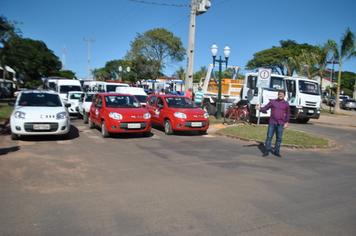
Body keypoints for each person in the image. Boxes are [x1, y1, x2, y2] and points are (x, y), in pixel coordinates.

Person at [256, 90, 290, 157]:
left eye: (282, 94)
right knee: (269, 137)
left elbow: (288, 114)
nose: (281, 95)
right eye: (279, 94)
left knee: (279, 138)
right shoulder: (273, 102)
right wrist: (259, 108)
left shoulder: (286, 104)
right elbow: (266, 108)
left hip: (281, 123)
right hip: (272, 122)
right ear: (278, 95)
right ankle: (266, 151)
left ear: (284, 95)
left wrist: (286, 122)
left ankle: (276, 152)